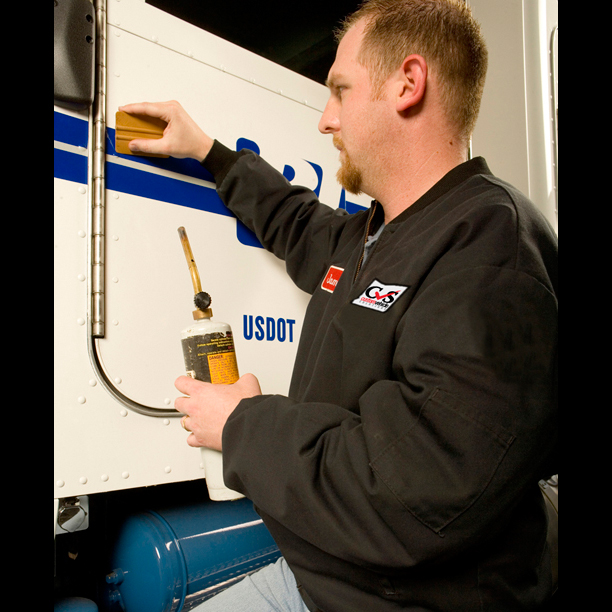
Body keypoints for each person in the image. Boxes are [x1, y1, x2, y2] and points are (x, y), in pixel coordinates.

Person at [120, 1, 558, 610]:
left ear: (408, 84)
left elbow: (414, 490)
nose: (326, 120)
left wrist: (243, 425)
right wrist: (208, 151)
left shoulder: (491, 249)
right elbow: (294, 220)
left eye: (340, 91)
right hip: (327, 578)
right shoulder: (371, 237)